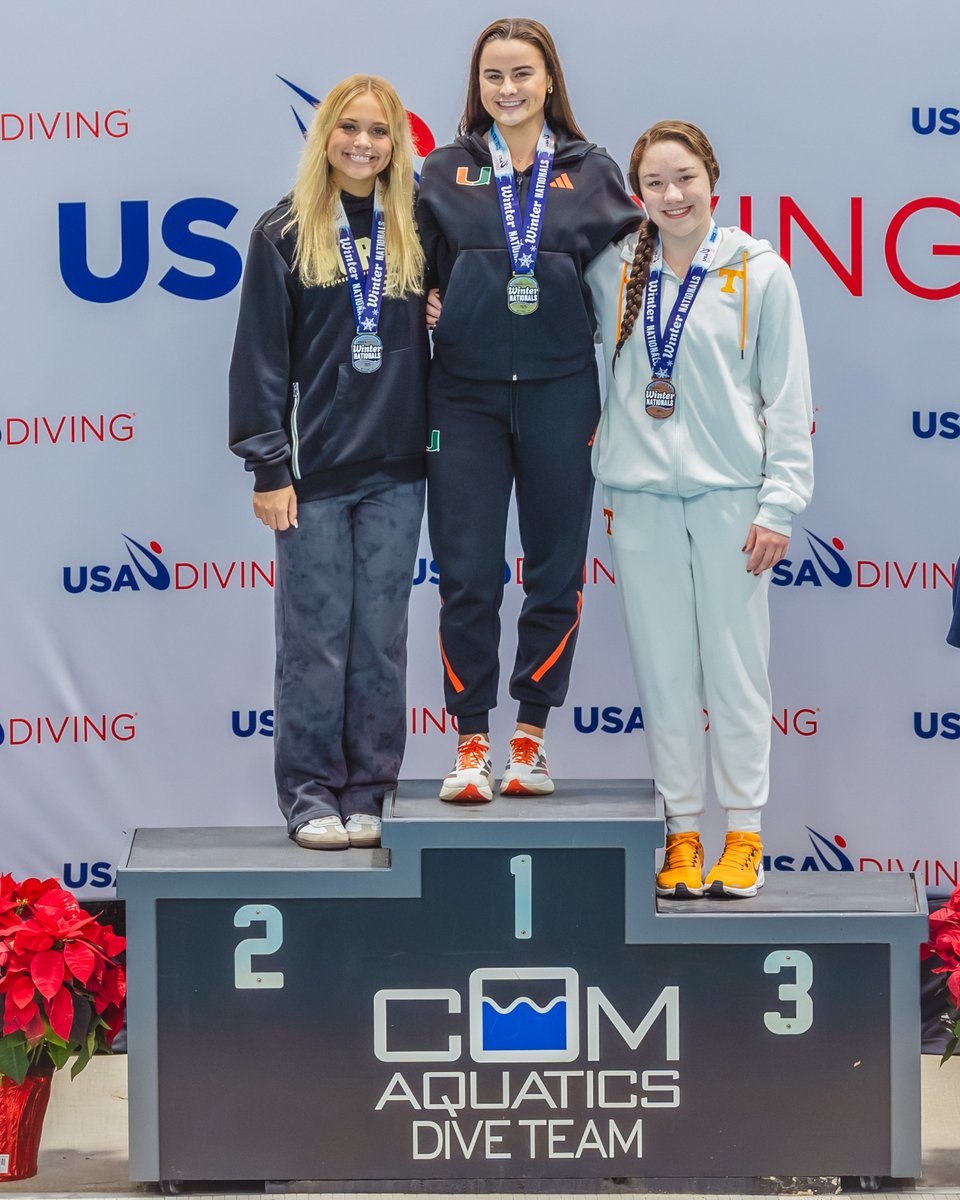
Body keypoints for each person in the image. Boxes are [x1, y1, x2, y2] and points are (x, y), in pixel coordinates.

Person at [417, 17, 640, 802]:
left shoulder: (595, 171)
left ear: (549, 81)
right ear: (476, 88)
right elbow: (401, 270)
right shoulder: (442, 171)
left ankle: (530, 738)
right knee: (467, 575)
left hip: (560, 391)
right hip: (465, 397)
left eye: (521, 74)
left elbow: (635, 284)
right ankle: (470, 741)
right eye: (492, 77)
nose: (506, 90)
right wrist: (426, 301)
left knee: (554, 573)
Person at [588, 120, 814, 897]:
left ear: (712, 180)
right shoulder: (615, 270)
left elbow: (788, 403)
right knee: (664, 672)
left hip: (731, 500)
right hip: (640, 499)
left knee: (736, 670)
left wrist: (779, 505)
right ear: (636, 193)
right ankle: (683, 834)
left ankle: (744, 833)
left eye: (684, 178)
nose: (672, 195)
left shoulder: (759, 270)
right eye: (654, 183)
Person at [229, 75, 427, 850]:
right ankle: (310, 794)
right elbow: (259, 362)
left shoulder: (416, 224)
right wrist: (269, 467)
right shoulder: (282, 231)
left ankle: (372, 788)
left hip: (401, 471)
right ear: (324, 137)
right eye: (349, 128)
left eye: (379, 131)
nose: (363, 144)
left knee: (380, 639)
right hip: (311, 477)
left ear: (396, 142)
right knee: (314, 641)